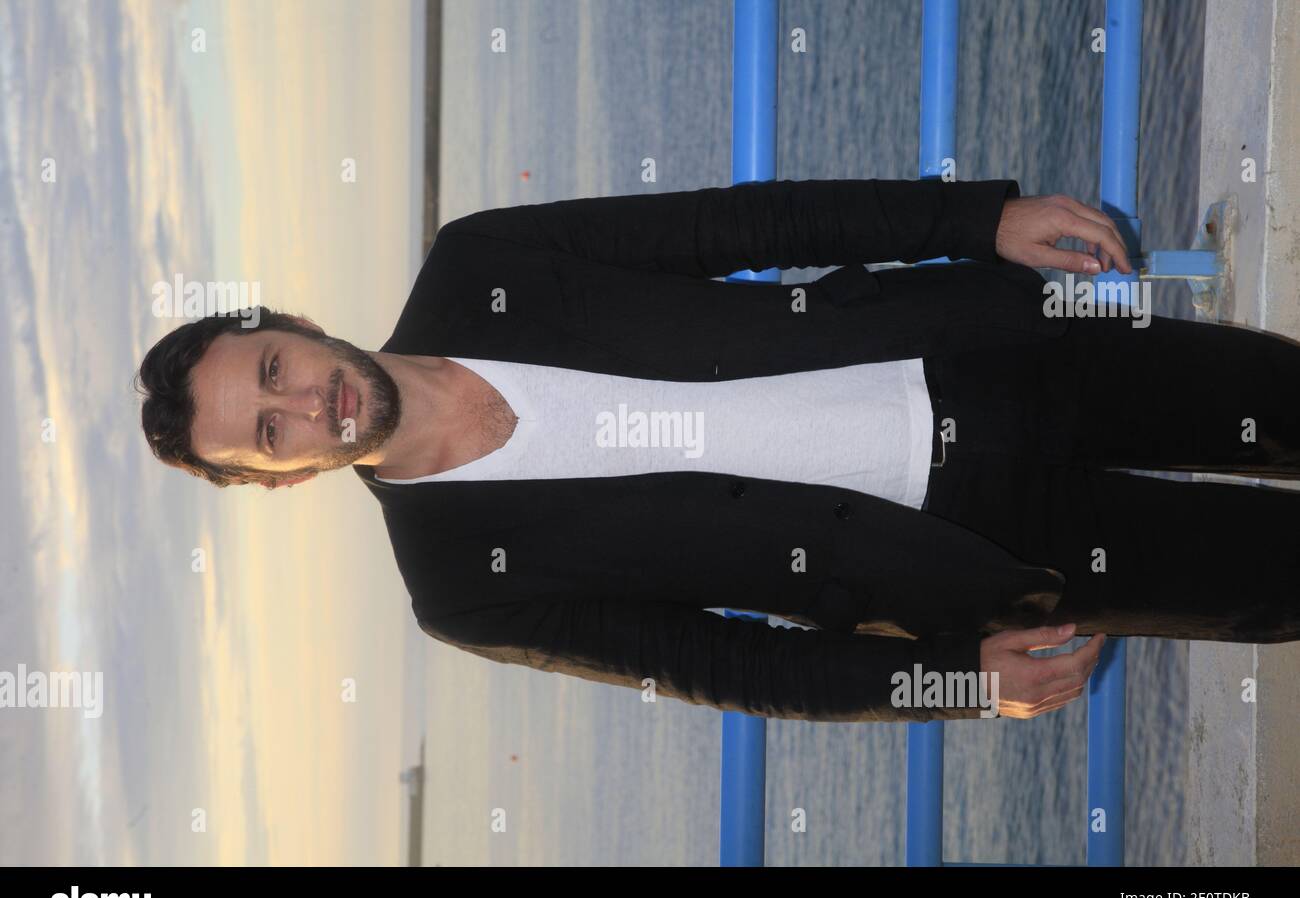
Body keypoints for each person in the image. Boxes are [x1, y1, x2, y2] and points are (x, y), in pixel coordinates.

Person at [134, 177, 1300, 722]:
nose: (308, 405)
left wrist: (971, 221)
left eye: (273, 371)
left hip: (990, 349)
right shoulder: (459, 588)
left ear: (279, 322)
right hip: (975, 546)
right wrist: (948, 681)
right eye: (269, 432)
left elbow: (736, 225)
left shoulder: (477, 261)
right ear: (270, 479)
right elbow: (729, 667)